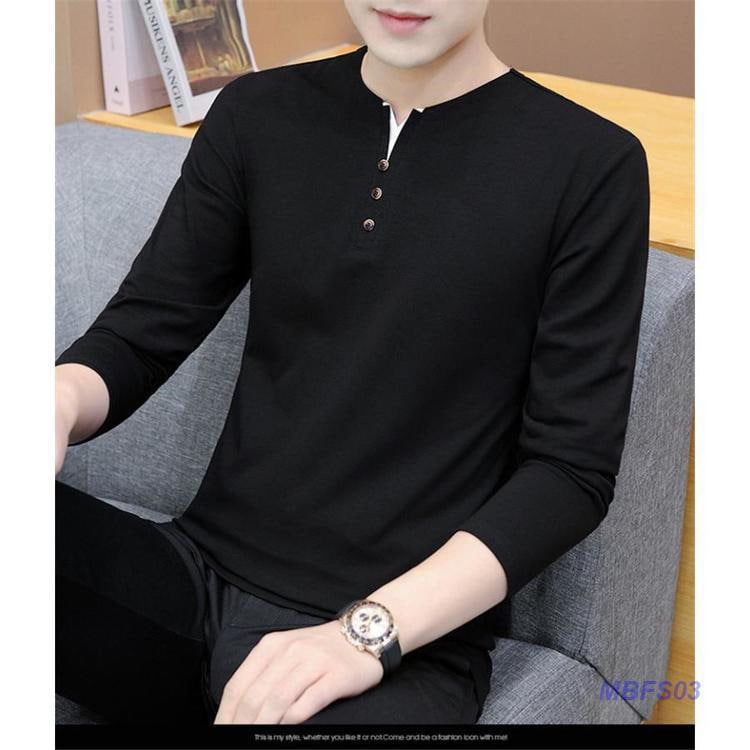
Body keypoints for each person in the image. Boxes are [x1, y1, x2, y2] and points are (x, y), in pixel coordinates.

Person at [55, 0, 650, 726]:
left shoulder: (592, 165)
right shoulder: (256, 113)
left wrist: (364, 635)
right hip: (191, 579)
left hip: (402, 648)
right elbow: (143, 332)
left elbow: (570, 473)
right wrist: (56, 400)